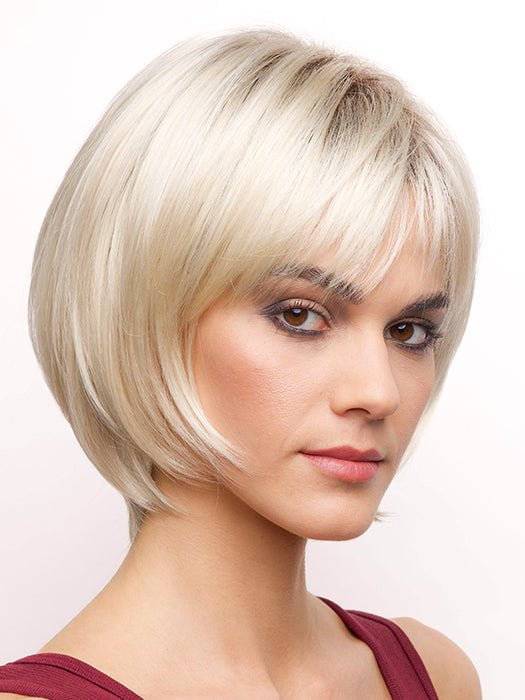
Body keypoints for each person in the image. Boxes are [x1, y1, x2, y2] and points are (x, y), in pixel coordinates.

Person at [0, 26, 482, 699]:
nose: (379, 393)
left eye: (409, 331)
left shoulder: (436, 675)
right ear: (145, 317)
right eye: (300, 316)